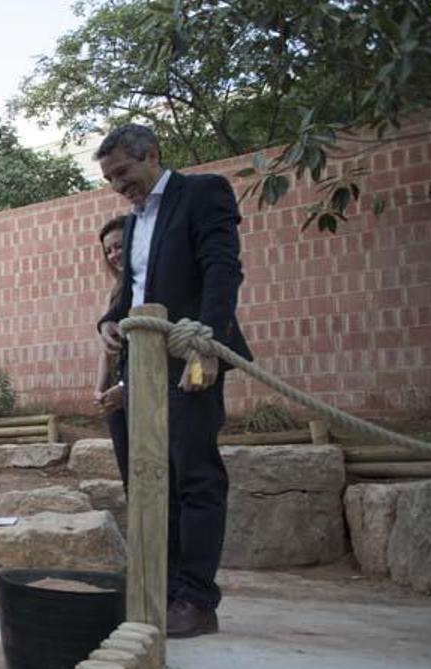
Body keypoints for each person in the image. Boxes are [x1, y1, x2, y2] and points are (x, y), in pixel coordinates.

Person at [94, 123, 251, 639]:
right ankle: (162, 588)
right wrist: (109, 322)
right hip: (138, 368)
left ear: (152, 156)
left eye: (123, 172)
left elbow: (222, 269)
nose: (119, 185)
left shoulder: (202, 193)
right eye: (110, 179)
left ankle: (197, 600)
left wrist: (206, 345)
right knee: (150, 479)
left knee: (195, 477)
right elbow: (132, 291)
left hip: (188, 357)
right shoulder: (134, 222)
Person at [92, 215, 129, 482]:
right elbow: (106, 349)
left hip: (138, 386)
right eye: (108, 250)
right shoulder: (115, 293)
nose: (114, 255)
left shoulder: (148, 287)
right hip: (115, 390)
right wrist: (99, 388)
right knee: (126, 465)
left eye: (119, 246)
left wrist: (126, 387)